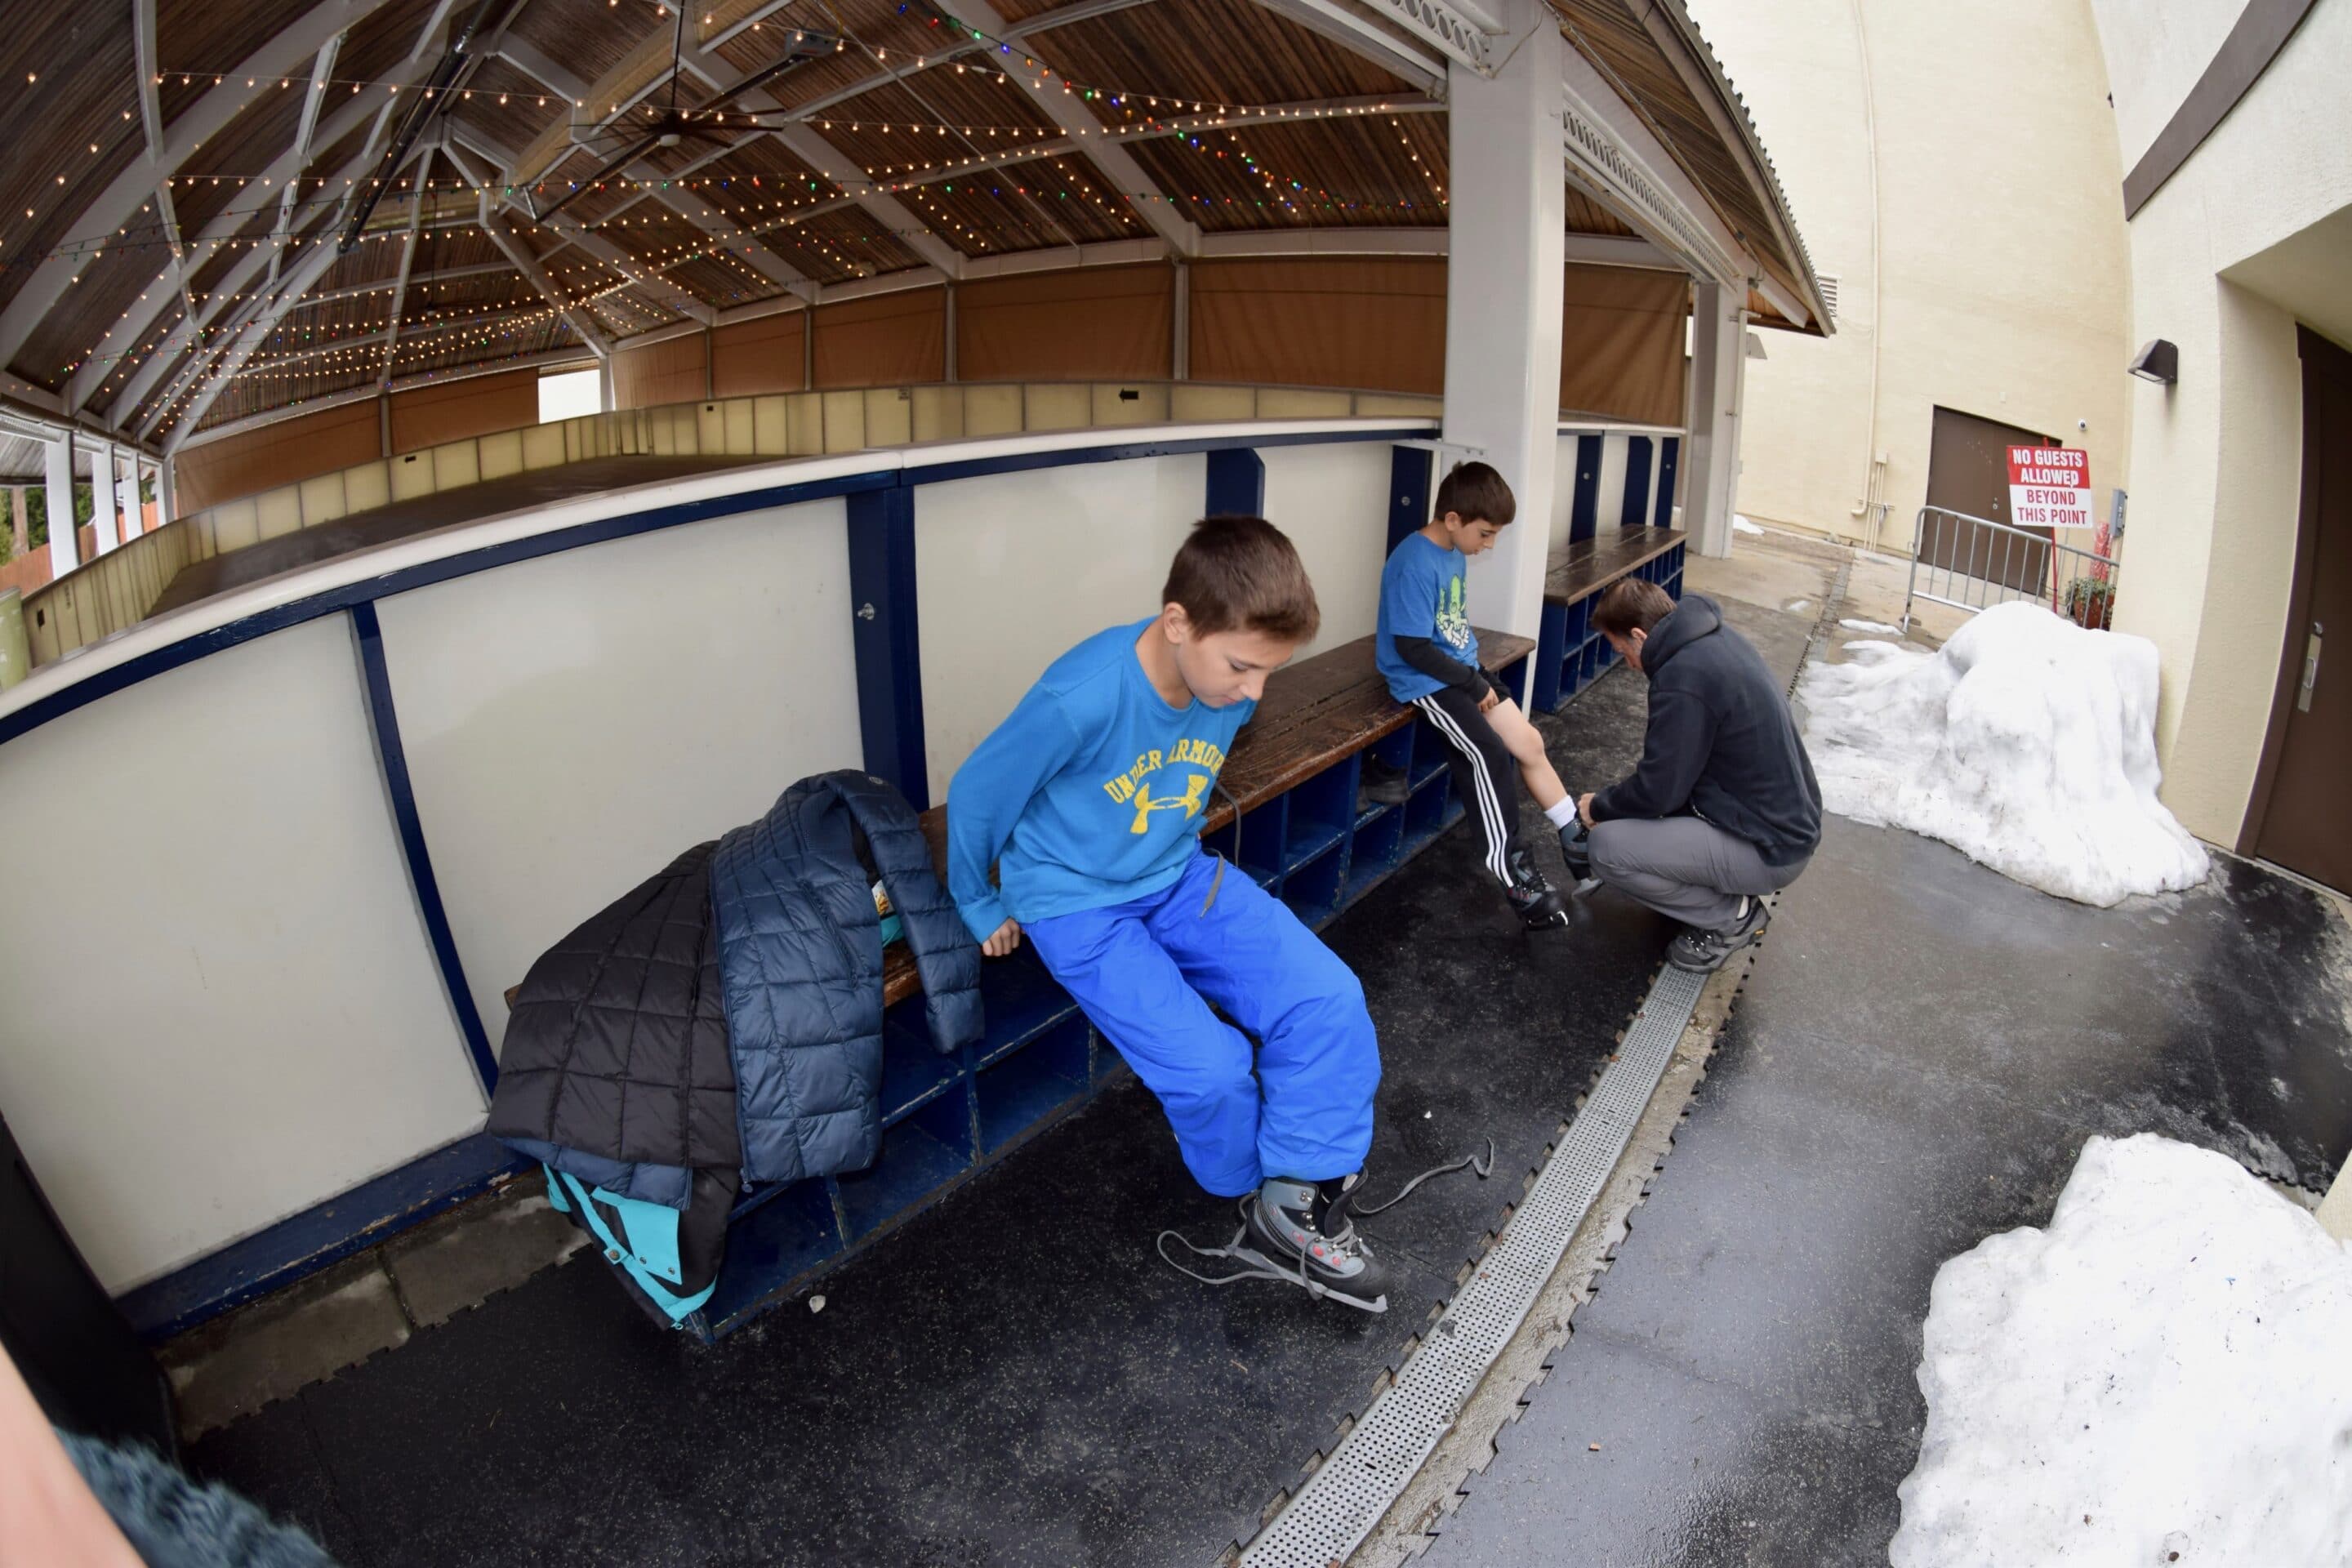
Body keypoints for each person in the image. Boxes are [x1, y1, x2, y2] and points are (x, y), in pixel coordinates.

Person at [947, 516, 1391, 1312]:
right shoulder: (1080, 698)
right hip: (1075, 899)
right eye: (1243, 668)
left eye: (1267, 673)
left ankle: (1293, 1195)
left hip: (1173, 871)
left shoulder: (1223, 684)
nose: (1252, 694)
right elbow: (980, 792)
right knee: (1213, 1071)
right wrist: (979, 901)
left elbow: (1183, 773)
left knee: (1328, 999)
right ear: (1178, 622)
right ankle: (1251, 1201)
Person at [1573, 577, 1822, 972]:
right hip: (1783, 824)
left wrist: (1599, 807)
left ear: (1640, 636)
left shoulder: (1682, 678)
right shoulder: (1716, 638)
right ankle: (1709, 893)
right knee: (1639, 814)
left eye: (1623, 651)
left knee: (1607, 847)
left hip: (1768, 849)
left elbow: (1659, 792)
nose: (1629, 664)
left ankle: (1732, 916)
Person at [1374, 461, 1580, 929]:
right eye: (1485, 534)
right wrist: (1472, 684)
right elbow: (1411, 646)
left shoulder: (1452, 552)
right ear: (1452, 519)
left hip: (1462, 670)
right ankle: (1513, 872)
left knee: (1528, 742)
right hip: (1422, 680)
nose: (1488, 546)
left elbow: (1449, 633)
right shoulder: (1413, 561)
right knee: (1486, 752)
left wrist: (1476, 677)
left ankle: (1573, 830)